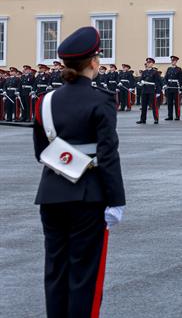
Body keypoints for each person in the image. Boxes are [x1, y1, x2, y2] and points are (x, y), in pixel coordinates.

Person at [33, 26, 126, 318]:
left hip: (50, 195)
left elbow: (41, 153)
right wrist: (116, 200)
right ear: (94, 62)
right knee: (84, 275)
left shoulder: (45, 101)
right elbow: (108, 154)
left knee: (56, 271)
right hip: (88, 197)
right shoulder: (102, 99)